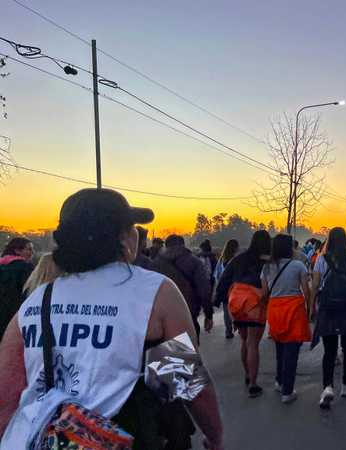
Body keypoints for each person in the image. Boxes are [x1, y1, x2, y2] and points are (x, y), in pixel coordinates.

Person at [0, 188, 224, 449]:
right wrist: (214, 436)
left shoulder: (37, 301)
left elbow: (7, 394)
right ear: (125, 237)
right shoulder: (153, 293)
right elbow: (185, 381)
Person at [310, 227, 346, 408]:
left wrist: (311, 306)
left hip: (327, 308)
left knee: (329, 350)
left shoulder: (320, 259)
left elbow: (316, 285)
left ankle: (327, 387)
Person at [215, 230, 271, 398]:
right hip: (255, 304)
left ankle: (247, 374)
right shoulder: (267, 261)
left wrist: (219, 300)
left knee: (245, 341)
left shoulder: (238, 259)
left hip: (237, 304)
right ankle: (253, 384)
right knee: (253, 343)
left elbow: (224, 280)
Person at [261, 234, 311, 404]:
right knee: (291, 350)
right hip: (294, 309)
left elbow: (264, 292)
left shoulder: (267, 267)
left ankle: (279, 381)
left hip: (274, 309)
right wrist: (311, 308)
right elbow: (306, 290)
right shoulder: (298, 266)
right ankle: (287, 392)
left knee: (280, 346)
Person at [153, 235, 213, 339]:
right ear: (183, 245)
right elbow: (204, 290)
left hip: (161, 317)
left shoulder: (156, 264)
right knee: (186, 351)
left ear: (166, 246)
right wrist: (208, 315)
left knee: (163, 352)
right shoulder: (195, 262)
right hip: (187, 314)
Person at [0, 237, 34, 337]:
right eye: (29, 249)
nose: (32, 252)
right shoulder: (26, 268)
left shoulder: (2, 266)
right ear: (17, 250)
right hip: (16, 314)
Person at [213, 239, 239, 339]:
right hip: (234, 288)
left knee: (226, 311)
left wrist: (217, 288)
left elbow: (216, 275)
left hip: (224, 288)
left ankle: (228, 331)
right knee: (237, 309)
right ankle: (239, 328)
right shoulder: (236, 260)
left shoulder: (221, 260)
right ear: (235, 248)